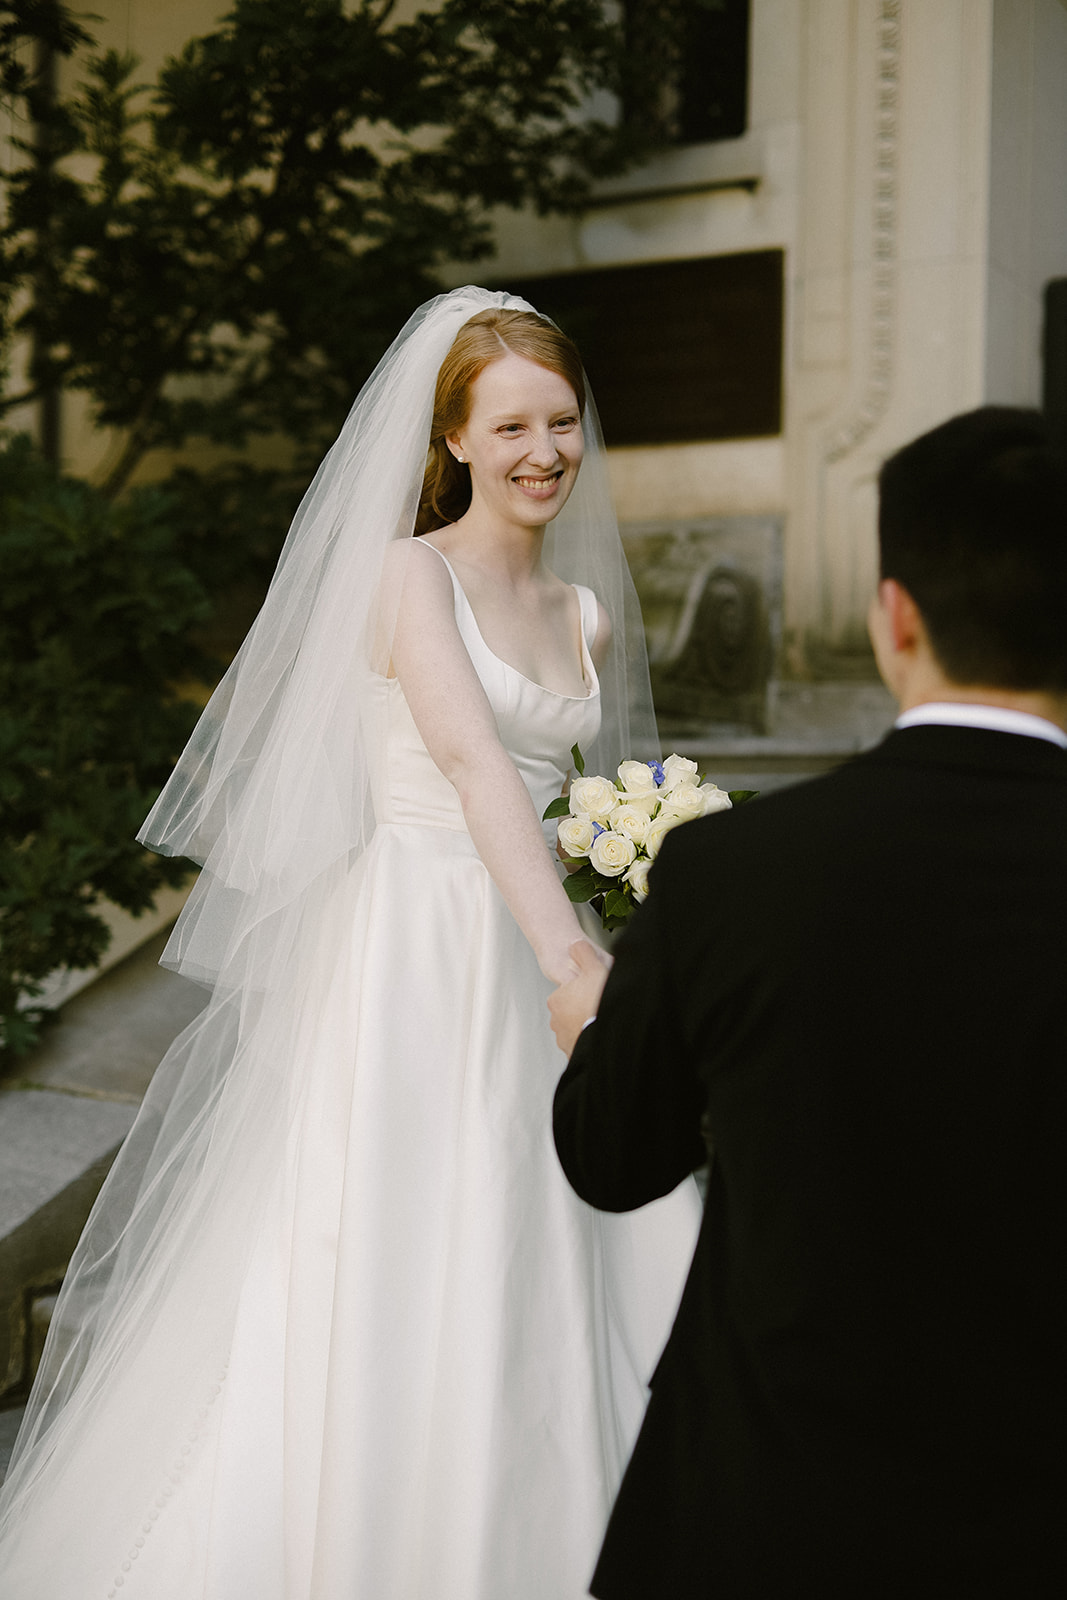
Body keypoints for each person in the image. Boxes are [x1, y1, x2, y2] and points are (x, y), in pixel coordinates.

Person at [0, 288, 700, 1598]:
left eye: (561, 420)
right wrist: (574, 964)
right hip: (419, 953)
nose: (542, 450)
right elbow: (472, 766)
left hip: (534, 934)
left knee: (550, 1226)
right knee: (405, 1237)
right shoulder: (404, 577)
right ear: (450, 442)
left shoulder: (585, 616)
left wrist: (626, 861)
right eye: (509, 426)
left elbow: (565, 799)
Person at [550, 406, 1067, 1598]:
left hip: (770, 1511)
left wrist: (597, 1038)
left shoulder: (735, 872)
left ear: (894, 617)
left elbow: (613, 1156)